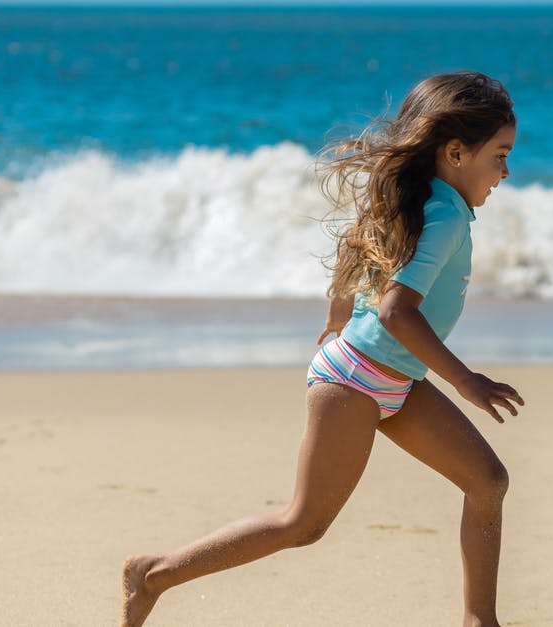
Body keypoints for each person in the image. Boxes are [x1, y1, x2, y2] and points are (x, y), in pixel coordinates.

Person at [121, 71, 524, 627]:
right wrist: (467, 381)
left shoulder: (420, 195)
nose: (505, 171)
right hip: (356, 381)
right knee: (302, 524)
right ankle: (153, 574)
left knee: (487, 481)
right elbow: (395, 311)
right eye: (500, 155)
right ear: (456, 151)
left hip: (394, 380)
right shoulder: (446, 214)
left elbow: (359, 236)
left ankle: (481, 620)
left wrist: (338, 307)